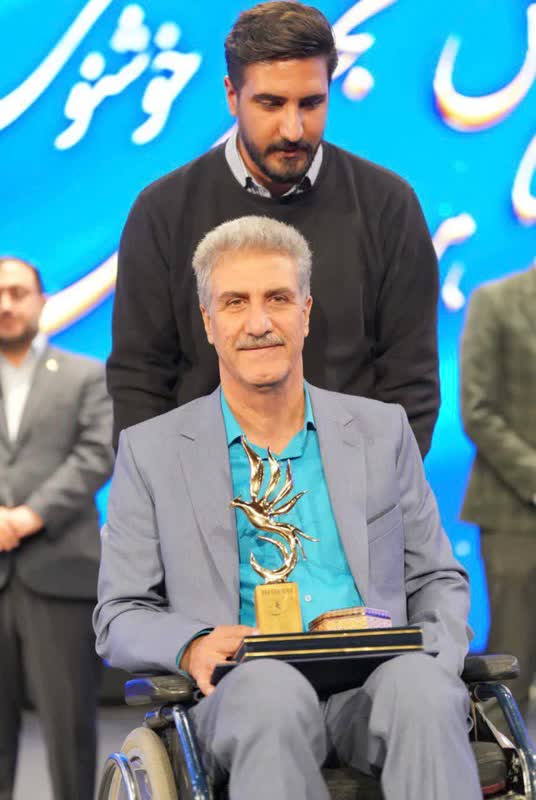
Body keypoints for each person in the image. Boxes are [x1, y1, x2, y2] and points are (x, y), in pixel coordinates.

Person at [95, 217, 480, 800]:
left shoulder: (381, 431)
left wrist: (436, 657)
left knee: (424, 690)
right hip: (242, 695)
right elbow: (119, 615)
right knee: (272, 694)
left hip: (375, 684)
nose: (258, 323)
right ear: (208, 322)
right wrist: (191, 644)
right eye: (235, 302)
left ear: (305, 312)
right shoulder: (151, 452)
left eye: (277, 299)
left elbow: (436, 578)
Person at [107, 0, 440, 457]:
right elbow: (139, 381)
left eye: (311, 103)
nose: (293, 129)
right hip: (200, 489)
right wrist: (168, 491)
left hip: (354, 488)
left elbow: (411, 384)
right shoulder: (162, 212)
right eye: (271, 103)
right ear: (232, 95)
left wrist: (368, 490)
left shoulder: (388, 206)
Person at [0, 257, 114, 800]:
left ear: (41, 302)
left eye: (18, 293)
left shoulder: (85, 376)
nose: (6, 304)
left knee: (70, 734)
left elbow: (97, 454)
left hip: (62, 574)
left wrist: (27, 516)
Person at [460, 264, 536, 716]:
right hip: (513, 514)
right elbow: (478, 410)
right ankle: (504, 757)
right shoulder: (496, 301)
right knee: (513, 667)